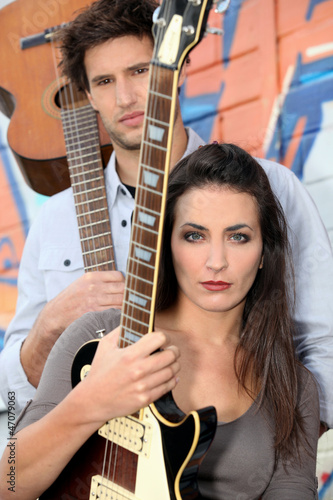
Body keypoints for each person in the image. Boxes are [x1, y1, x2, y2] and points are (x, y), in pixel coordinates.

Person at [0, 0, 332, 436]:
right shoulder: (55, 219)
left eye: (140, 71)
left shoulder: (272, 188)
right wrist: (47, 329)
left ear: (177, 67)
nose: (125, 97)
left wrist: (277, 456)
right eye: (104, 81)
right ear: (88, 95)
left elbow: (321, 342)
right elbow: (10, 399)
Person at [0, 143, 320, 499]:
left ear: (264, 253)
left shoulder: (293, 386)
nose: (217, 261)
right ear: (167, 245)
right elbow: (7, 481)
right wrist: (92, 401)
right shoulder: (101, 336)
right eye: (194, 236)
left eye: (238, 237)